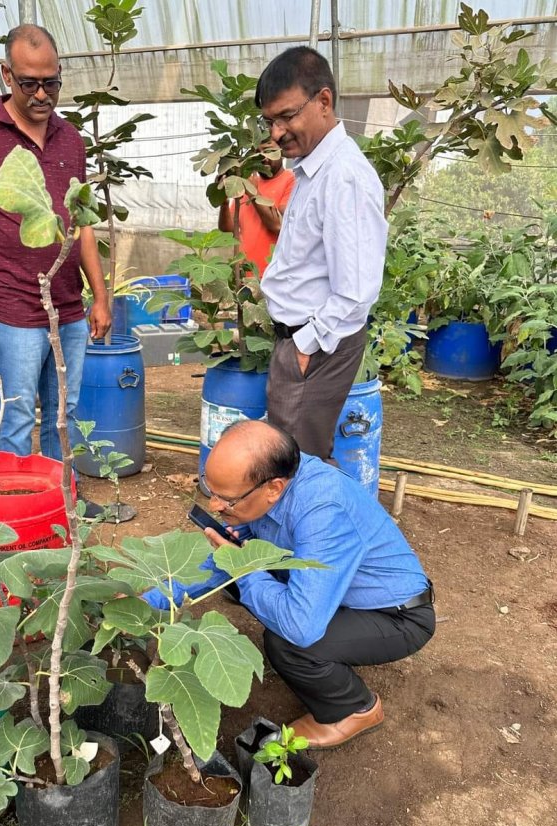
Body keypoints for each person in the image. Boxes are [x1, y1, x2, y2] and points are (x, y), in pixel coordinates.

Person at [144, 420, 435, 749]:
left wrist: (245, 569)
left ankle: (354, 708)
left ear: (274, 488)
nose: (214, 506)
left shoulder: (322, 511)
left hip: (396, 616)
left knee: (289, 643)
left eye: (227, 500)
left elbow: (301, 626)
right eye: (210, 491)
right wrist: (148, 600)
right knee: (239, 579)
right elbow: (226, 558)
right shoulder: (272, 485)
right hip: (342, 597)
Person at [0, 24, 111, 517]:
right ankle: (20, 514)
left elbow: (82, 224)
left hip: (68, 309)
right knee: (17, 415)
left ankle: (61, 503)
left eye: (52, 82)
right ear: (6, 75)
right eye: (29, 83)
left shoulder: (71, 138)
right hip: (12, 307)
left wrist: (98, 296)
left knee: (65, 415)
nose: (42, 94)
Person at [256, 47, 388, 461]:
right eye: (270, 121)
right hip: (303, 342)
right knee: (291, 457)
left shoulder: (343, 176)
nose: (277, 133)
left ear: (324, 102)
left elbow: (356, 292)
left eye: (287, 116)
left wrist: (304, 347)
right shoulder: (314, 170)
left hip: (315, 345)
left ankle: (301, 529)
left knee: (296, 465)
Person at [217, 143, 295, 277]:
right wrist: (223, 201)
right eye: (257, 152)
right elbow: (228, 230)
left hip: (273, 278)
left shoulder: (292, 180)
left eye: (269, 151)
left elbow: (279, 225)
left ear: (281, 152)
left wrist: (252, 192)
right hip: (243, 275)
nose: (263, 157)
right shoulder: (247, 182)